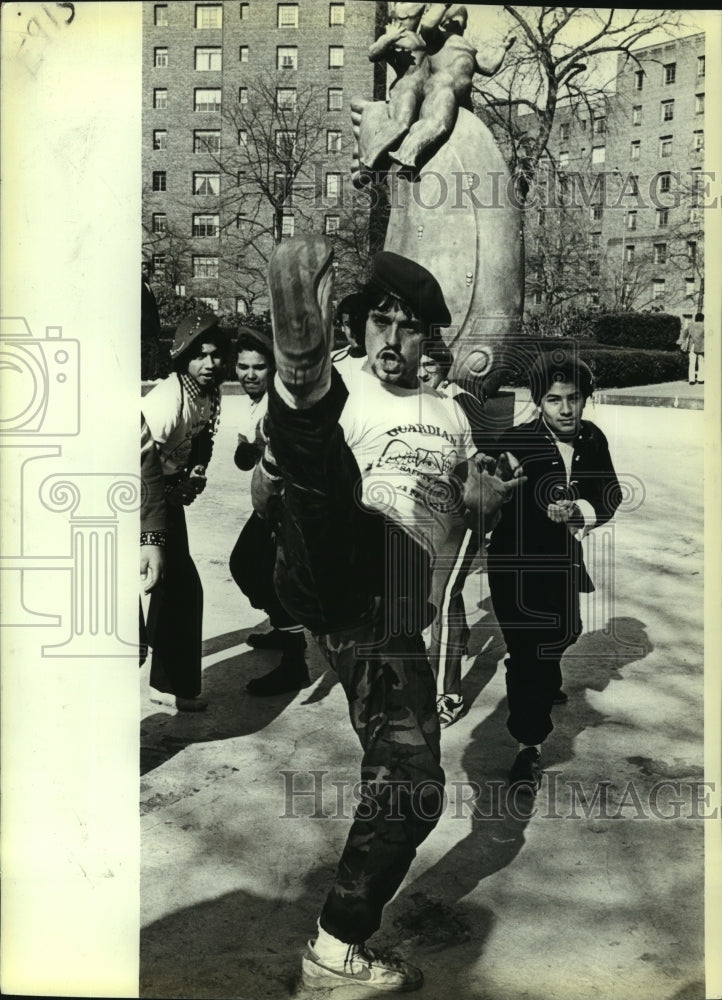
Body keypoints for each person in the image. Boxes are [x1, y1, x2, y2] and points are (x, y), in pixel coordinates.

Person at [253, 235, 522, 992]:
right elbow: (267, 501)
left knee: (414, 783)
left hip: (397, 609)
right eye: (380, 321)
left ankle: (336, 947)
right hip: (338, 546)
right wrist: (283, 460)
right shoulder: (349, 383)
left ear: (429, 337)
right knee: (328, 479)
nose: (393, 339)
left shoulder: (454, 415)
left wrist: (485, 504)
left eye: (408, 325)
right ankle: (295, 387)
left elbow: (469, 523)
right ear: (357, 327)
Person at [487, 352, 622, 796]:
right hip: (515, 565)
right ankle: (529, 744)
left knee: (565, 633)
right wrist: (499, 489)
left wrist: (579, 512)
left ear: (586, 400)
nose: (565, 409)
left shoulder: (592, 439)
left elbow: (610, 492)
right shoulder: (515, 441)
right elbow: (487, 494)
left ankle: (547, 674)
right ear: (538, 402)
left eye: (574, 398)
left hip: (564, 560)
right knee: (529, 655)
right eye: (553, 399)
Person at [141, 312, 227, 711]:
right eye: (200, 357)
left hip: (165, 497)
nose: (210, 365)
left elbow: (202, 439)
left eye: (215, 356)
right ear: (183, 359)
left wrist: (194, 473)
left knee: (174, 586)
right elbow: (136, 463)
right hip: (140, 499)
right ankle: (167, 680)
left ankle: (166, 680)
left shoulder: (209, 393)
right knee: (181, 587)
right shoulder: (165, 401)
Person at [227, 327, 310, 696]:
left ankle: (295, 663)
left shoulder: (279, 402)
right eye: (243, 366)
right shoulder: (259, 402)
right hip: (270, 502)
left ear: (273, 368)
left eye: (258, 367)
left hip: (288, 504)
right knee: (247, 565)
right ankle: (282, 628)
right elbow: (252, 454)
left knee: (261, 571)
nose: (249, 374)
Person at [141, 259, 163, 381]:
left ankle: (145, 376)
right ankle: (152, 376)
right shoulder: (139, 286)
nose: (146, 271)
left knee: (146, 351)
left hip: (148, 326)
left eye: (148, 269)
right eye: (144, 269)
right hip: (146, 326)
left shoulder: (146, 285)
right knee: (154, 349)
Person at [687, 312, 704, 385]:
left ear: (695, 318)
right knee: (701, 362)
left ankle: (691, 380)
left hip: (692, 345)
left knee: (692, 363)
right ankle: (701, 379)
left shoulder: (691, 325)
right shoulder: (704, 326)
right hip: (701, 346)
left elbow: (685, 333)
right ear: (703, 319)